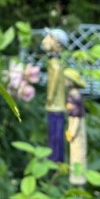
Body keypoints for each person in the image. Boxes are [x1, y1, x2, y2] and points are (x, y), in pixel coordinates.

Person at [41, 28, 68, 163]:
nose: (44, 41)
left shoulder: (55, 64)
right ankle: (56, 159)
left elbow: (54, 81)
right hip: (57, 104)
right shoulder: (56, 62)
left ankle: (55, 160)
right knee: (55, 132)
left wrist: (50, 97)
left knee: (55, 133)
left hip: (55, 105)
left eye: (49, 38)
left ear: (56, 43)